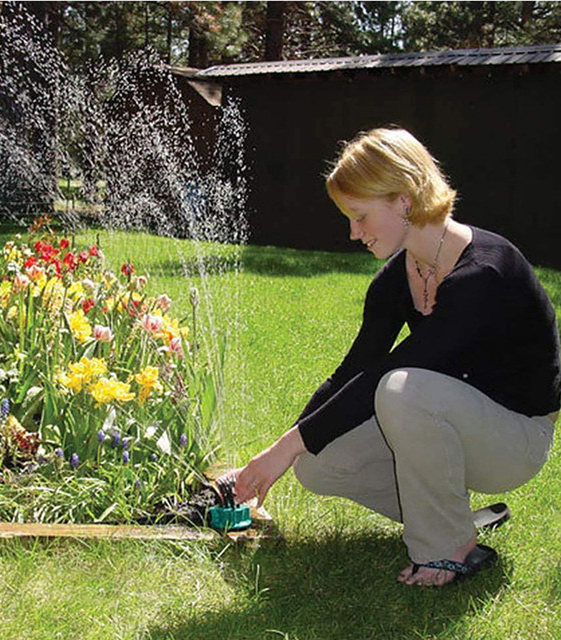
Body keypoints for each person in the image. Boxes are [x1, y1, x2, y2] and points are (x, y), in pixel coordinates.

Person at [227, 127, 560, 587]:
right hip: (450, 422)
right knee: (318, 462)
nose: (353, 232)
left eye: (361, 216)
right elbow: (352, 372)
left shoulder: (484, 272)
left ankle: (450, 548)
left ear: (404, 200)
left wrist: (284, 448)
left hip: (516, 439)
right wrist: (283, 450)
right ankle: (453, 518)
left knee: (402, 388)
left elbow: (386, 376)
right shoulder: (396, 278)